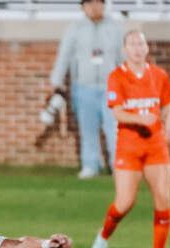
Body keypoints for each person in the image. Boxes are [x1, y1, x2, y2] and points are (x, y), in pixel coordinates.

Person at [91, 30, 170, 248]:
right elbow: (117, 112)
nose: (137, 48)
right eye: (132, 44)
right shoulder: (117, 77)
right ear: (125, 49)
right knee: (125, 202)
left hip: (156, 146)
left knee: (163, 198)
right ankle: (103, 237)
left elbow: (168, 104)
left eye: (141, 43)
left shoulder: (159, 75)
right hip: (129, 147)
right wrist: (142, 119)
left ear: (147, 47)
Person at [48, 0, 124, 179]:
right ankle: (90, 165)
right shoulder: (75, 28)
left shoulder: (115, 28)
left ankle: (118, 166)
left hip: (110, 87)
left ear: (104, 5)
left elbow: (122, 56)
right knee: (87, 129)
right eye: (89, 4)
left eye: (97, 3)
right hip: (83, 86)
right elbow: (64, 54)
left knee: (114, 128)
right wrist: (56, 80)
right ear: (83, 7)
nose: (94, 7)